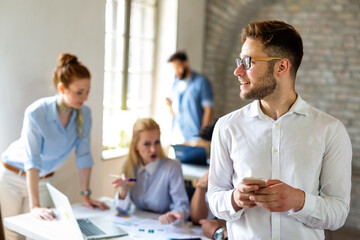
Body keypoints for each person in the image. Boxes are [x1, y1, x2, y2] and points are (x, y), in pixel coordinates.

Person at [208, 20, 352, 240]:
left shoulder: (330, 131)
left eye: (248, 62)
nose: (238, 71)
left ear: (282, 67)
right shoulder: (227, 127)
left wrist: (299, 201)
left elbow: (338, 213)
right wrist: (235, 199)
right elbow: (215, 198)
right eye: (240, 61)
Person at [0, 53, 109, 240]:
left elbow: (83, 156)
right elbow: (32, 160)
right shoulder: (37, 112)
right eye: (79, 92)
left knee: (41, 233)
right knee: (14, 234)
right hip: (12, 176)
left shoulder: (85, 114)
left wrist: (85, 195)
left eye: (87, 91)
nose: (85, 97)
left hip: (44, 180)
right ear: (62, 88)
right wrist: (34, 206)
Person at [112, 118, 190, 224]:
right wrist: (122, 191)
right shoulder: (130, 166)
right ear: (136, 145)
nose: (153, 149)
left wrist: (174, 215)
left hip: (164, 227)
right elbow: (122, 210)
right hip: (139, 226)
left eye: (157, 142)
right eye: (147, 144)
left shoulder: (172, 167)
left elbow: (183, 207)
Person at [166, 51, 214, 145]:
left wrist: (202, 136)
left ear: (185, 63)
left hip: (195, 138)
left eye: (178, 67)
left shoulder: (202, 82)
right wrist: (170, 106)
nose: (176, 72)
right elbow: (175, 112)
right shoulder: (175, 84)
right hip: (177, 137)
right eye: (174, 69)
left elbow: (209, 110)